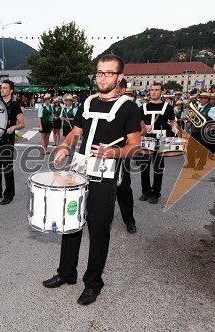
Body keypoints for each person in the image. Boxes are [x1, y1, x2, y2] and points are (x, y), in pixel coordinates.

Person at [44, 54, 142, 305]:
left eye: (108, 73)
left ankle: (93, 283)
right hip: (78, 172)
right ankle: (66, 273)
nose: (102, 77)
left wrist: (113, 152)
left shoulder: (128, 107)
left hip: (105, 177)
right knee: (70, 224)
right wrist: (65, 147)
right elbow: (75, 133)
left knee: (98, 232)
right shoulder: (87, 103)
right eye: (99, 72)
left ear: (119, 76)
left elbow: (135, 146)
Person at [0, 79, 25, 205]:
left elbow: (22, 124)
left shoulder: (14, 105)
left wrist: (13, 128)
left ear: (11, 90)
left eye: (5, 88)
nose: (2, 90)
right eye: (1, 87)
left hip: (7, 141)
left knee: (7, 169)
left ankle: (9, 194)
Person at [138, 83, 178, 204]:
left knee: (158, 168)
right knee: (144, 167)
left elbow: (172, 121)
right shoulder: (143, 107)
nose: (153, 92)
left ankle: (155, 193)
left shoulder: (168, 107)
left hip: (161, 140)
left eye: (156, 90)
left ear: (162, 92)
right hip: (146, 139)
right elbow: (138, 124)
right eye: (152, 90)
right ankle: (145, 192)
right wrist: (144, 127)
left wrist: (174, 128)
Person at [116, 79, 142, 233]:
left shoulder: (130, 107)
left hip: (122, 153)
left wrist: (131, 137)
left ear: (124, 89)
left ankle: (129, 221)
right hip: (102, 154)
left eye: (117, 87)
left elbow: (142, 129)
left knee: (123, 188)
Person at [184, 92, 215, 170]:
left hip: (203, 132)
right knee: (190, 148)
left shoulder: (212, 108)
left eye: (202, 98)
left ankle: (200, 165)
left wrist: (212, 127)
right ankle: (191, 163)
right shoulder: (200, 107)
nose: (200, 100)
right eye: (200, 98)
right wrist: (190, 118)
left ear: (207, 99)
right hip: (195, 131)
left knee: (202, 150)